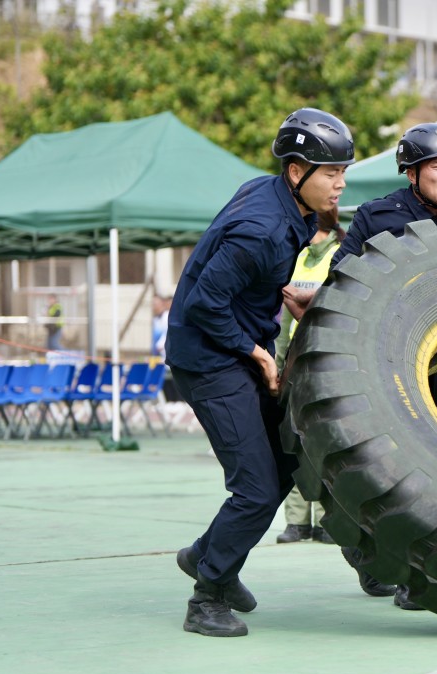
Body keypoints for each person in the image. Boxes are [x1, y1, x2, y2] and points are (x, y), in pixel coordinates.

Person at [165, 107, 355, 637]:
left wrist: (284, 294)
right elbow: (205, 302)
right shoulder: (261, 227)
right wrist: (260, 354)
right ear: (297, 172)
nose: (341, 183)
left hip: (236, 344)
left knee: (283, 466)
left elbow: (237, 278)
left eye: (344, 172)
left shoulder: (279, 202)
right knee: (254, 486)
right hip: (208, 357)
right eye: (331, 172)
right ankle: (206, 597)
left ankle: (208, 557)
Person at [330, 122, 437, 611]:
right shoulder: (377, 217)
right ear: (412, 173)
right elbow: (343, 279)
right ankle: (370, 550)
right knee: (386, 471)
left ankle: (416, 572)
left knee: (435, 471)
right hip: (383, 367)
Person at [273, 207, 344, 545]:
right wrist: (278, 363)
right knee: (295, 442)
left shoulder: (339, 255)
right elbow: (285, 323)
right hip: (297, 362)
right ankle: (297, 522)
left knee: (326, 442)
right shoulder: (297, 256)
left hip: (328, 361)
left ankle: (327, 521)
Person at [151, 295, 170, 361]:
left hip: (164, 353)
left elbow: (167, 333)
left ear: (162, 304)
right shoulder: (156, 319)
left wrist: (160, 345)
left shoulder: (167, 316)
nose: (154, 306)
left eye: (155, 304)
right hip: (157, 354)